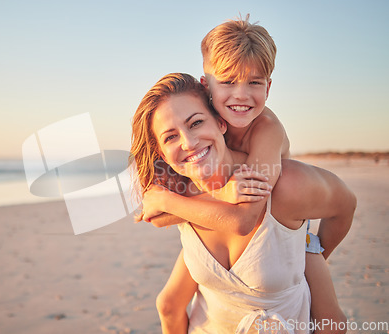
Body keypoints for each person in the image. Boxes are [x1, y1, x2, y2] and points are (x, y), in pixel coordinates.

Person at [137, 16, 350, 334]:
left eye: (254, 83)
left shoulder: (266, 129)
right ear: (205, 85)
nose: (241, 96)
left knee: (328, 311)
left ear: (269, 86)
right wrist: (200, 195)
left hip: (277, 225)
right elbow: (162, 216)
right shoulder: (202, 127)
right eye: (227, 82)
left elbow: (244, 218)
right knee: (168, 301)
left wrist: (314, 251)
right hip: (224, 217)